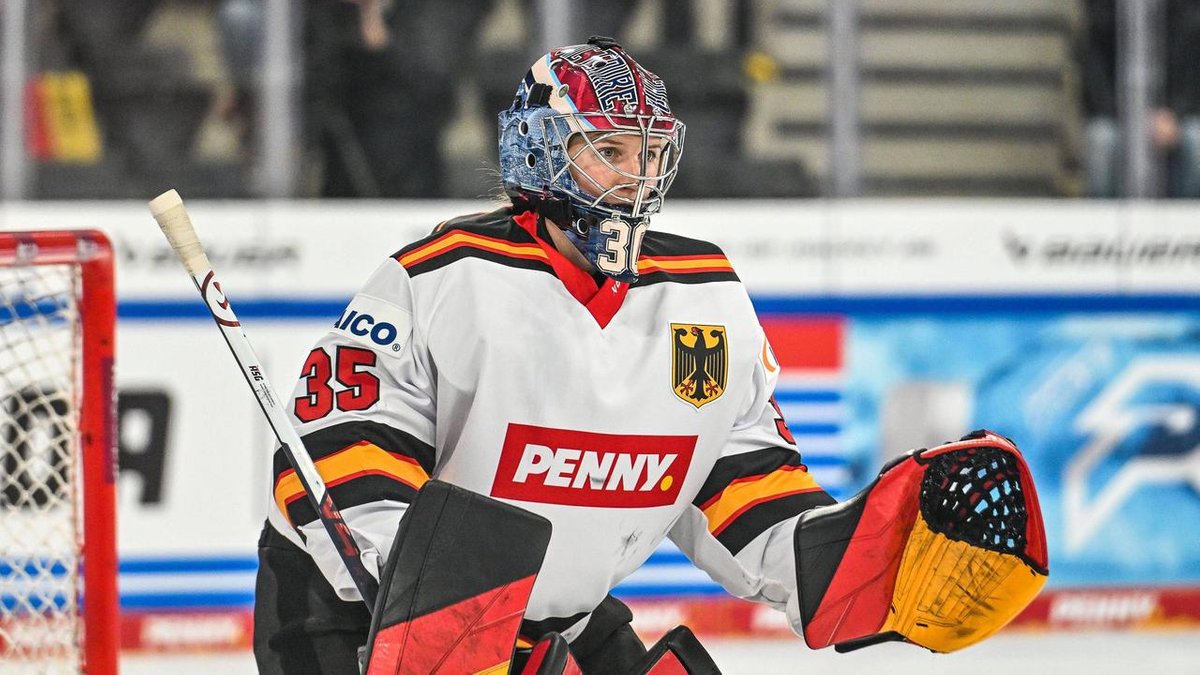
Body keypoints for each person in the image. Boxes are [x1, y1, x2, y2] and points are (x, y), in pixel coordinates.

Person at [253, 37, 1047, 674]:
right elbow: (338, 460)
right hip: (353, 616)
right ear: (541, 155)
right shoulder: (440, 278)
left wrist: (858, 569)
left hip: (547, 620)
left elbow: (742, 485)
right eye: (608, 150)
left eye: (647, 153)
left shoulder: (705, 295)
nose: (636, 178)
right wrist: (457, 624)